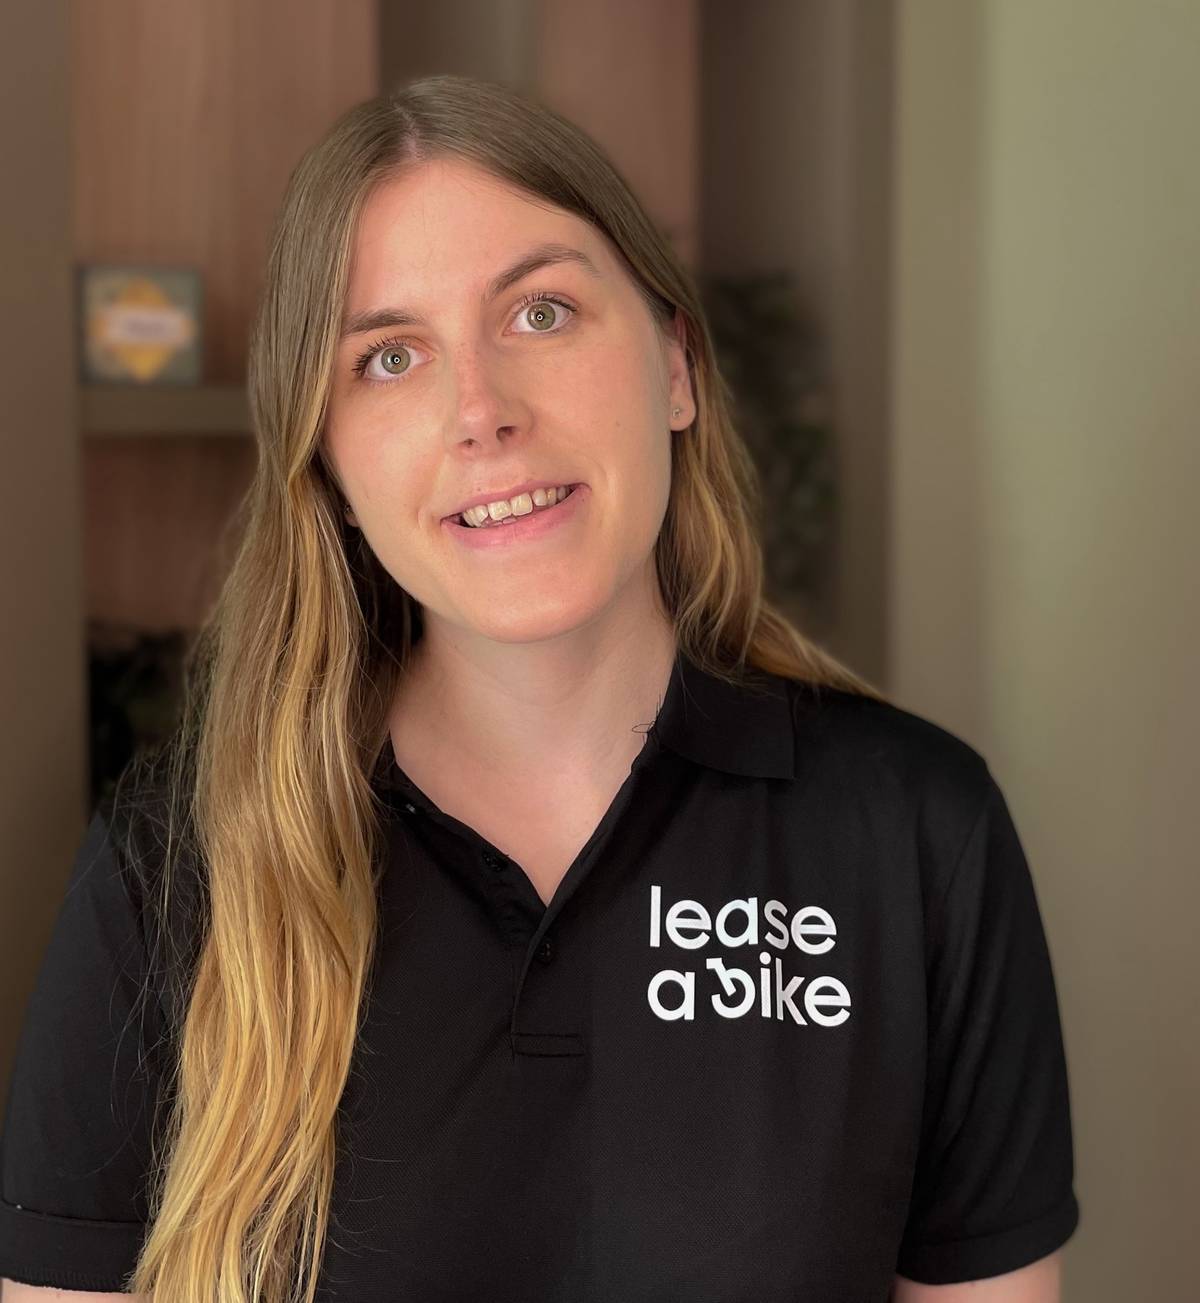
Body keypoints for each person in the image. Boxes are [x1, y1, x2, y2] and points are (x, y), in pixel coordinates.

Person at [0, 74, 1078, 1303]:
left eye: (542, 312)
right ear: (328, 462)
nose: (481, 412)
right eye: (389, 357)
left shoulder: (916, 834)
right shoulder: (171, 871)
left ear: (676, 367)